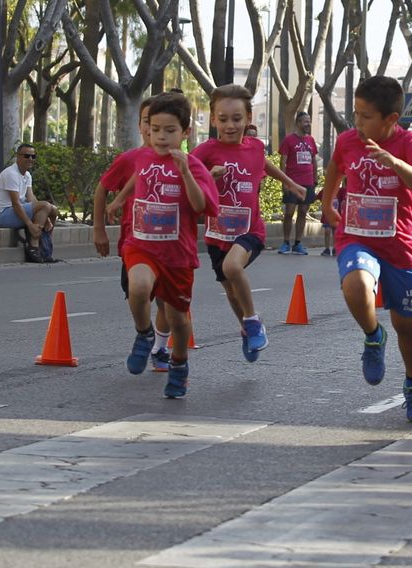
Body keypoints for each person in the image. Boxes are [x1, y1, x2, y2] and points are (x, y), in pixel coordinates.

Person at [318, 74, 412, 409]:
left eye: (366, 116)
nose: (358, 122)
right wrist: (327, 203)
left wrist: (396, 163)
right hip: (357, 236)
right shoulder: (348, 141)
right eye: (355, 114)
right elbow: (335, 168)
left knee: (408, 326)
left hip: (401, 245)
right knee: (355, 286)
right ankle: (373, 336)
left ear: (391, 119)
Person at [191, 84, 306, 362]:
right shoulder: (204, 151)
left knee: (232, 268)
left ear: (249, 118)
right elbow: (185, 177)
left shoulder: (254, 146)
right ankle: (246, 328)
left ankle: (253, 320)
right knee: (230, 288)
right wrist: (208, 176)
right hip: (218, 234)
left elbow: (264, 164)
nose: (230, 125)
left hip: (249, 230)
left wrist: (290, 182)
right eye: (224, 118)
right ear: (213, 118)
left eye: (237, 118)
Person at [119, 92, 216, 399]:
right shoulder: (143, 156)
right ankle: (144, 333)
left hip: (177, 255)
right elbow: (138, 176)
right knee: (137, 288)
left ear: (185, 132)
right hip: (142, 244)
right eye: (155, 128)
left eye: (169, 130)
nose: (160, 136)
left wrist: (186, 172)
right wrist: (120, 199)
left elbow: (203, 206)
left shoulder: (195, 167)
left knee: (178, 319)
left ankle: (179, 364)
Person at [95, 101, 173, 372]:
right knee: (136, 296)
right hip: (134, 244)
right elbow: (102, 189)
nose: (154, 131)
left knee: (167, 302)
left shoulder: (180, 162)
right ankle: (145, 332)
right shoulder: (130, 159)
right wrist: (99, 230)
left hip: (169, 246)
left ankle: (160, 347)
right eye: (147, 122)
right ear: (142, 126)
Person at [0, 143, 58, 262]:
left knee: (53, 210)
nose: (30, 159)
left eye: (33, 156)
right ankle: (34, 245)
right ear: (18, 156)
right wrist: (30, 225)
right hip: (3, 215)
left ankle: (45, 244)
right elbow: (16, 203)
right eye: (27, 156)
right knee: (45, 206)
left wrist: (47, 216)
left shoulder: (27, 175)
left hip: (16, 212)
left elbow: (31, 198)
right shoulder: (11, 174)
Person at [278, 110, 319, 254]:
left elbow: (313, 160)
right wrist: (284, 181)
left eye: (309, 121)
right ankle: (285, 242)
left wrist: (315, 179)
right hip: (292, 182)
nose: (308, 124)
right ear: (298, 123)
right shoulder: (289, 140)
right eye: (306, 121)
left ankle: (297, 243)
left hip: (307, 182)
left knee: (303, 211)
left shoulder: (311, 140)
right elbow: (283, 160)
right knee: (289, 212)